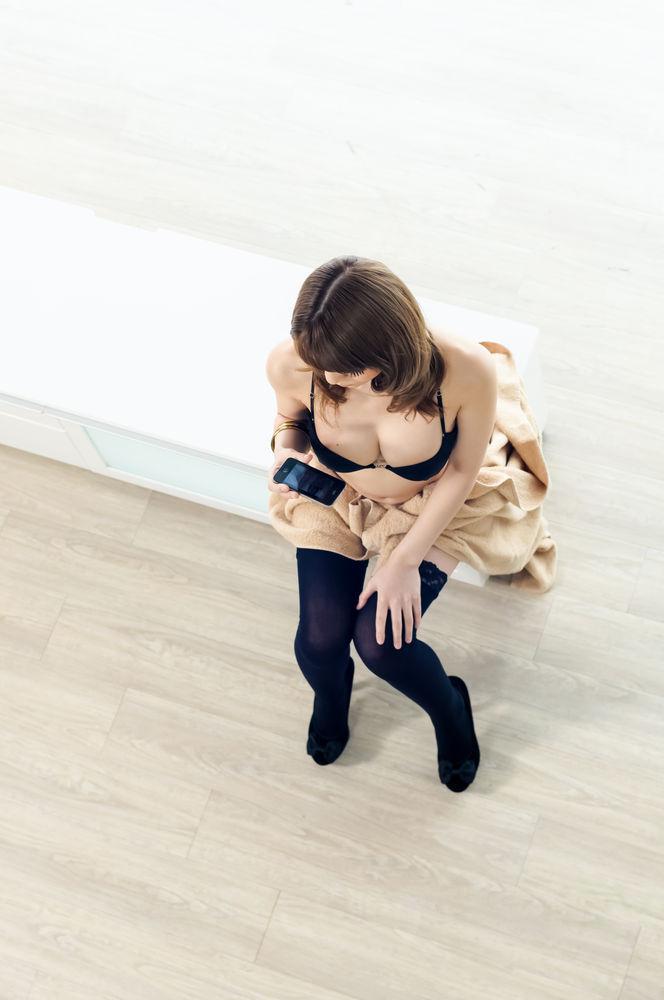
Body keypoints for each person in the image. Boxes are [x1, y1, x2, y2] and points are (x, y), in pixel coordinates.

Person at [266, 256, 497, 792]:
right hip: (338, 498)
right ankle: (332, 696)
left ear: (389, 349)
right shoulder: (294, 363)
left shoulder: (465, 369)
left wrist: (403, 561)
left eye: (346, 370)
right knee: (319, 642)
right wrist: (284, 450)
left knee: (382, 645)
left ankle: (451, 709)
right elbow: (289, 419)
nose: (330, 379)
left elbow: (463, 469)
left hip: (429, 503)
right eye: (322, 366)